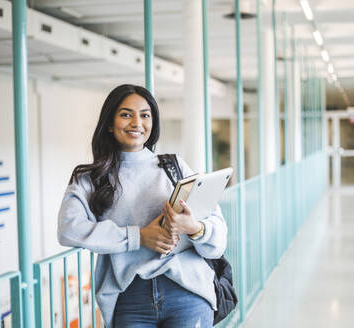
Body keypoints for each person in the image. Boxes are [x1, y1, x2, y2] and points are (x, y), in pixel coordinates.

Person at [57, 84, 228, 328]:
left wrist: (195, 228)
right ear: (109, 123)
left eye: (145, 115)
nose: (137, 123)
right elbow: (68, 229)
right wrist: (138, 237)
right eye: (126, 114)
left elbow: (218, 237)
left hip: (186, 290)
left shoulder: (174, 167)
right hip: (129, 298)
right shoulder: (90, 178)